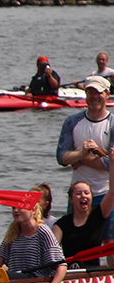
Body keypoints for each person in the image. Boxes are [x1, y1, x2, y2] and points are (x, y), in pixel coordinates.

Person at [56, 76, 112, 228]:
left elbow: (109, 163)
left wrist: (79, 160)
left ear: (107, 94)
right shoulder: (71, 122)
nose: (94, 96)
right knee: (74, 241)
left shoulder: (112, 124)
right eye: (90, 92)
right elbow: (61, 157)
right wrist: (81, 153)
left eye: (98, 92)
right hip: (77, 195)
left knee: (108, 242)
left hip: (105, 194)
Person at [0, 197, 67, 283]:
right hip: (16, 279)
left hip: (35, 280)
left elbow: (61, 266)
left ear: (33, 210)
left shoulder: (43, 232)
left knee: (4, 275)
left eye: (20, 207)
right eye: (13, 208)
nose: (15, 210)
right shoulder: (13, 232)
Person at [52, 179, 114, 268]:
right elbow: (52, 251)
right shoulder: (61, 224)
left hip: (92, 273)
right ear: (71, 199)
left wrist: (112, 164)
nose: (83, 196)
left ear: (91, 197)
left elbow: (112, 192)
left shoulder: (98, 216)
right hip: (69, 272)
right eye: (78, 193)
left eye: (86, 193)